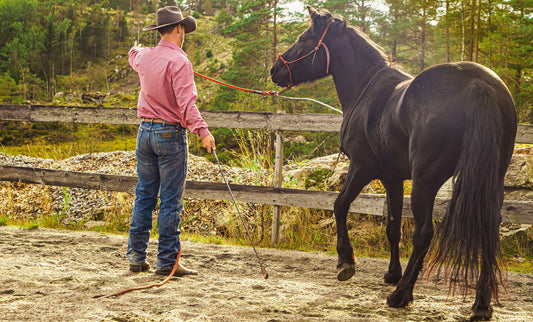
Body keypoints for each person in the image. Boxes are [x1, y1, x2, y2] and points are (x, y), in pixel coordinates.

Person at [127, 6, 215, 276]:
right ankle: (167, 263)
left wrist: (137, 48)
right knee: (170, 201)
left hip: (145, 134)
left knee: (144, 195)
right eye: (184, 29)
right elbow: (187, 106)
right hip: (169, 136)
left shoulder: (143, 58)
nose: (184, 32)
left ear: (159, 31)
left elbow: (133, 54)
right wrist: (203, 132)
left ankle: (136, 257)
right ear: (178, 29)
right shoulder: (180, 63)